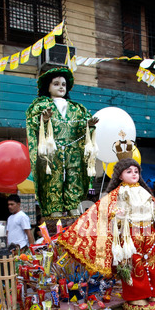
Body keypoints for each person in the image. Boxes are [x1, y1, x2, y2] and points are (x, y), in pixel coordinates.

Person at [58, 158, 155, 310]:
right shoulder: (115, 195)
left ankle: (154, 293)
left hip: (151, 237)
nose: (133, 174)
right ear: (119, 176)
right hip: (129, 239)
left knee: (153, 266)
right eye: (129, 171)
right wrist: (116, 215)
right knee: (133, 267)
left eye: (136, 171)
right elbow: (101, 213)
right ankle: (138, 296)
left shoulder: (145, 193)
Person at [26, 67, 98, 218]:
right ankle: (54, 210)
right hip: (53, 153)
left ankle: (73, 207)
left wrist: (88, 126)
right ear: (48, 87)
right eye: (56, 84)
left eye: (63, 84)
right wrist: (44, 120)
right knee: (53, 180)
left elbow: (80, 129)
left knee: (74, 179)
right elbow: (33, 125)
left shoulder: (77, 109)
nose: (60, 87)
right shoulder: (40, 106)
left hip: (72, 152)